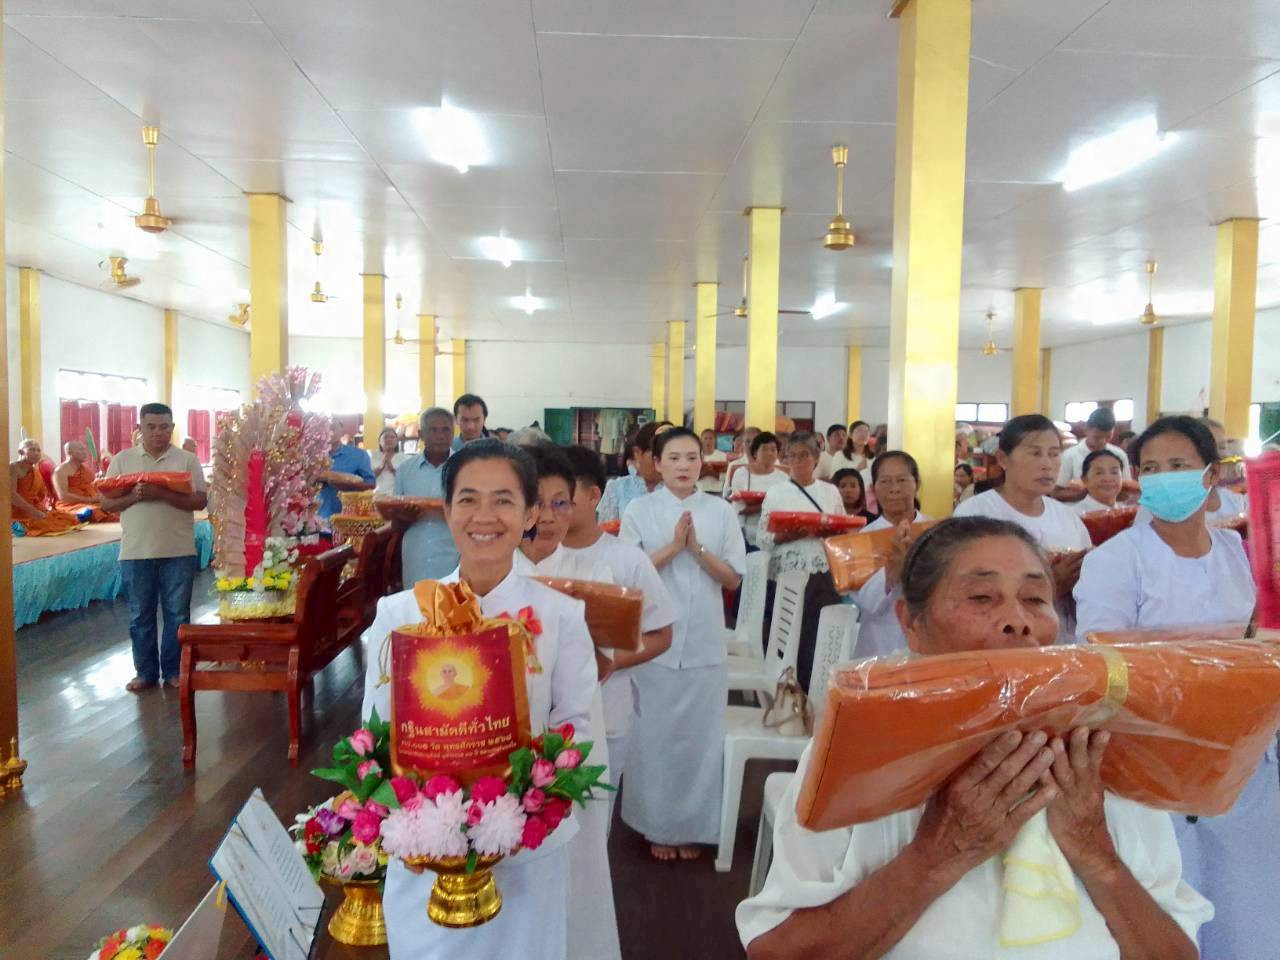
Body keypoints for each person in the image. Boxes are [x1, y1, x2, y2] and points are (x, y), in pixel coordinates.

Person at [738, 516, 1210, 960]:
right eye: (982, 598)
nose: (1017, 621)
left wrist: (1096, 852)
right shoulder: (864, 760)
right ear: (911, 623)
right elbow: (778, 952)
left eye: (1034, 599)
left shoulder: (1099, 756)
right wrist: (937, 855)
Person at [361, 439, 597, 959]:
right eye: (467, 499)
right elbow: (375, 736)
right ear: (446, 510)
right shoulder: (400, 616)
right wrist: (420, 822)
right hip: (427, 851)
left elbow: (579, 731)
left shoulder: (560, 616)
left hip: (524, 853)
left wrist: (526, 803)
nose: (484, 516)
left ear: (531, 511)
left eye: (504, 500)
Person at [1074, 415, 1271, 960]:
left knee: (1242, 902)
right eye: (1152, 469)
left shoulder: (1237, 556)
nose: (1164, 478)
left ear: (1210, 476)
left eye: (1179, 466)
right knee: (1164, 898)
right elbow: (1102, 658)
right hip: (1148, 755)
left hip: (1237, 753)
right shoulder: (1116, 560)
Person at [512, 445, 621, 960]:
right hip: (509, 736)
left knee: (576, 864)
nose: (548, 517)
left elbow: (614, 654)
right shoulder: (487, 574)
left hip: (574, 733)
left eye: (562, 503)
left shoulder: (589, 576)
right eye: (537, 503)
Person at [620, 427, 746, 860]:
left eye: (691, 457)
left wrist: (697, 549)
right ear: (656, 462)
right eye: (673, 457)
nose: (683, 466)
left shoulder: (721, 510)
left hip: (706, 641)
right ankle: (655, 826)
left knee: (699, 738)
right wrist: (674, 547)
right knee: (653, 736)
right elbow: (629, 574)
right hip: (654, 641)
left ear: (703, 462)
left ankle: (693, 827)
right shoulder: (639, 509)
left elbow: (732, 577)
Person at [559, 445, 674, 818]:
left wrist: (608, 662)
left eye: (563, 498)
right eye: (542, 498)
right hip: (542, 717)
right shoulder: (527, 557)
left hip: (607, 713)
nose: (550, 509)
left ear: (594, 495)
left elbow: (660, 634)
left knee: (594, 823)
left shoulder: (627, 560)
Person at [954, 414, 1091, 644]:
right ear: (1003, 459)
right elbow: (963, 594)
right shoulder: (975, 515)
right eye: (1035, 453)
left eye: (1054, 454)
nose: (1047, 464)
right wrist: (1048, 587)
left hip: (1061, 645)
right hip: (999, 646)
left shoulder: (1069, 519)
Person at [99, 404, 208, 692]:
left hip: (179, 550)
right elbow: (107, 504)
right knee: (140, 615)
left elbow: (200, 501)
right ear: (140, 428)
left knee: (178, 615)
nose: (158, 432)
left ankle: (174, 671)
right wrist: (134, 496)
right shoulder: (123, 460)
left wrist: (162, 493)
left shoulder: (187, 460)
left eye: (164, 427)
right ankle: (145, 673)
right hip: (135, 552)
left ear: (172, 428)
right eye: (151, 427)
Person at [756, 433, 844, 691]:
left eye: (804, 454)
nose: (797, 460)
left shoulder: (829, 492)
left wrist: (828, 532)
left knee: (816, 632)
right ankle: (784, 690)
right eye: (791, 455)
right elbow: (763, 536)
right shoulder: (775, 492)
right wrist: (785, 535)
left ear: (816, 458)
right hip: (786, 572)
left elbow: (841, 528)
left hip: (821, 571)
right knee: (786, 631)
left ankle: (816, 689)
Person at [852, 451, 932, 660]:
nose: (894, 489)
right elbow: (863, 602)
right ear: (873, 489)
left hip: (927, 640)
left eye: (902, 480)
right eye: (885, 481)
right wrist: (890, 573)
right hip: (879, 643)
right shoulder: (865, 536)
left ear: (917, 484)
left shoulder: (935, 531)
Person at [386, 407, 458, 585]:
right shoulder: (405, 471)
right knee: (414, 608)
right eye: (433, 430)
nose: (440, 436)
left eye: (445, 430)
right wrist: (405, 518)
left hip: (455, 559)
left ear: (453, 433)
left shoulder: (465, 469)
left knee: (453, 609)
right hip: (416, 558)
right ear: (421, 434)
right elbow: (395, 525)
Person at [597, 420, 670, 524]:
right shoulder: (617, 488)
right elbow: (606, 532)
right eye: (657, 452)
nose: (664, 460)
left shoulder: (682, 491)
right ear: (637, 453)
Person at [729, 431, 789, 551]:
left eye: (773, 449)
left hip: (775, 536)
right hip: (748, 535)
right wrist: (768, 504)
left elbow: (786, 509)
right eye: (765, 449)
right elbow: (739, 509)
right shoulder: (742, 474)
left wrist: (758, 505)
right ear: (755, 452)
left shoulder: (784, 477)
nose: (769, 453)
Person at [1055, 408, 1131, 501]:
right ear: (1086, 428)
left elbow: (1127, 492)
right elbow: (1056, 493)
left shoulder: (1119, 454)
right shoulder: (1070, 455)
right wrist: (1091, 491)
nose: (1103, 441)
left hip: (1112, 511)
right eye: (1097, 437)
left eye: (1107, 437)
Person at [10, 439, 82, 535]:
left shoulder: (35, 470)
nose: (36, 453)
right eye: (32, 450)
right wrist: (33, 512)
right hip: (15, 512)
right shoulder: (13, 468)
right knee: (45, 525)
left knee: (67, 519)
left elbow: (40, 495)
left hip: (34, 508)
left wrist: (41, 510)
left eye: (38, 450)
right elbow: (11, 495)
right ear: (21, 452)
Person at [316, 421, 374, 520]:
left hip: (349, 519)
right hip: (318, 518)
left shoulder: (359, 455)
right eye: (325, 428)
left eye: (333, 427)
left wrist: (347, 485)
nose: (329, 432)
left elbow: (371, 484)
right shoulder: (312, 455)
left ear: (342, 431)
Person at [53, 440, 117, 522]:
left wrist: (101, 480)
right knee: (95, 512)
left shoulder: (85, 470)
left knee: (113, 507)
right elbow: (63, 496)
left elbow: (93, 485)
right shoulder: (60, 471)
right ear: (69, 452)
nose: (85, 453)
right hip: (70, 505)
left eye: (85, 450)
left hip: (89, 502)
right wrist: (91, 500)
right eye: (81, 450)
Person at [1071, 449, 1126, 515]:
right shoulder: (1074, 515)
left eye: (1114, 472)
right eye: (1099, 473)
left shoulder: (1129, 513)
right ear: (1084, 480)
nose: (1107, 479)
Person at [722, 426, 761, 497]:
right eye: (748, 441)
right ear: (743, 444)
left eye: (755, 441)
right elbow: (726, 494)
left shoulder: (772, 465)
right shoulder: (734, 465)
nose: (751, 445)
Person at [370, 426, 406, 496]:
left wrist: (392, 469)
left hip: (398, 496)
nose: (389, 440)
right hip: (376, 495)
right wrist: (380, 468)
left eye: (392, 437)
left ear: (397, 441)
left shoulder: (404, 457)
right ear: (379, 441)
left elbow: (406, 479)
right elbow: (367, 479)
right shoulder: (372, 456)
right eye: (385, 437)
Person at [698, 427, 728, 493]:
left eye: (711, 438)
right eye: (705, 438)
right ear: (701, 440)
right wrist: (704, 473)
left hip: (717, 491)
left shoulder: (723, 455)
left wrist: (714, 474)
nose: (708, 441)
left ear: (715, 440)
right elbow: (691, 477)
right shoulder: (696, 455)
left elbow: (727, 477)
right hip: (699, 492)